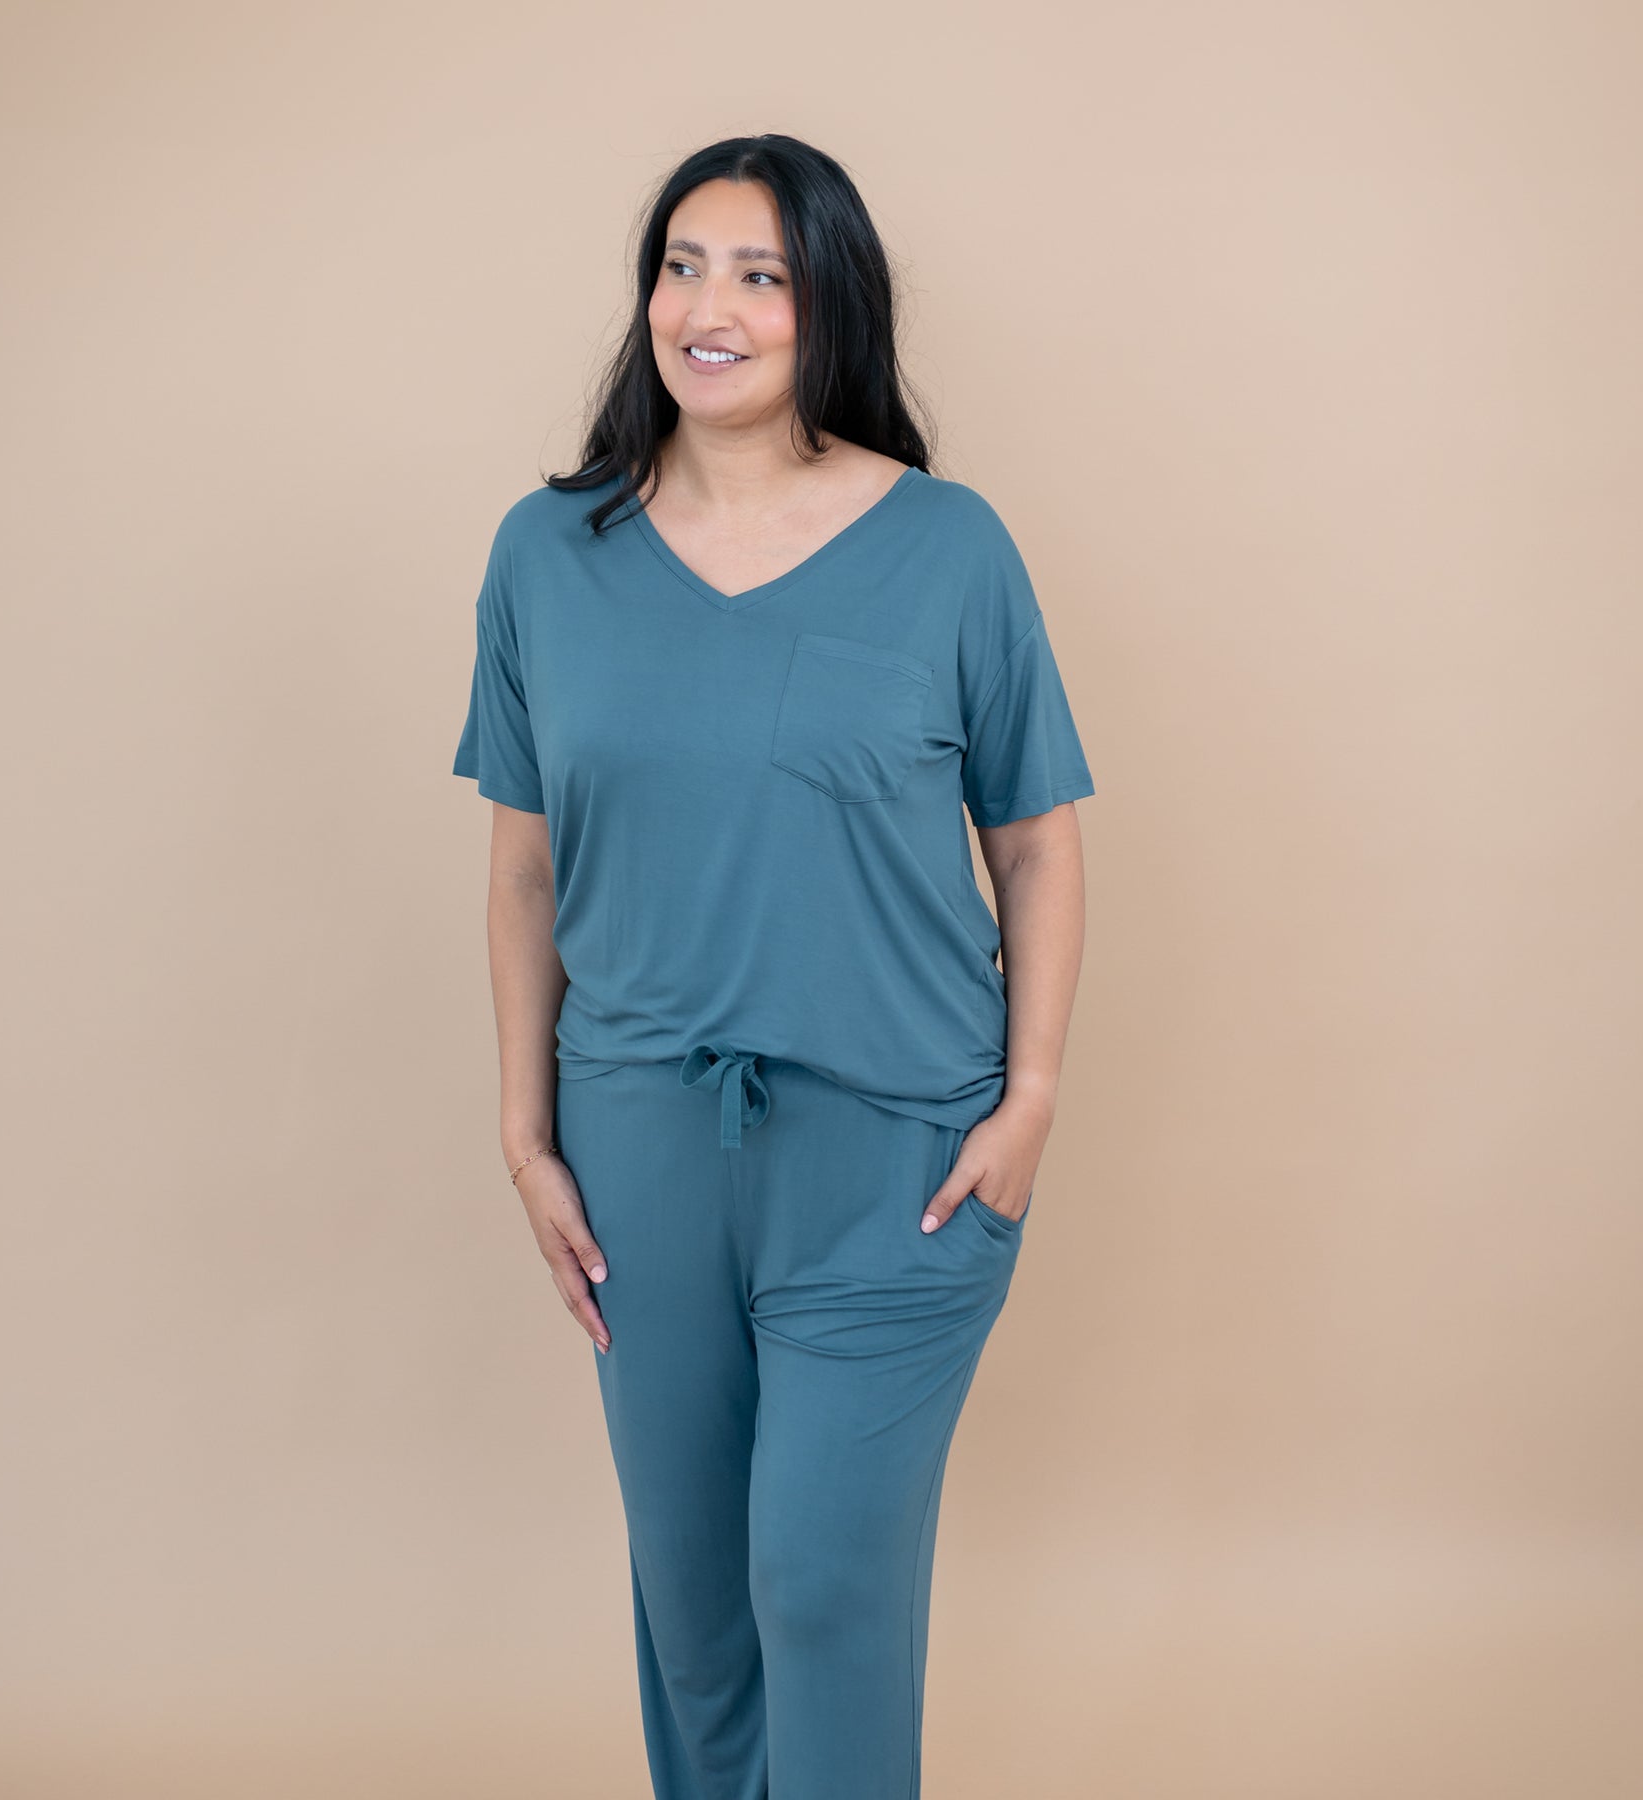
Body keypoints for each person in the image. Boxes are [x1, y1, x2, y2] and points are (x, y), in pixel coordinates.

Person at [452, 133, 1095, 1800]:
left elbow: (1034, 839)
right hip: (641, 1153)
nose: (709, 306)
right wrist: (527, 1140)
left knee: (821, 1587)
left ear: (831, 311)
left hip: (896, 1155)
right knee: (698, 1625)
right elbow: (525, 871)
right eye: (682, 264)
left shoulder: (949, 547)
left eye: (761, 273)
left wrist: (1028, 1102)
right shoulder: (548, 552)